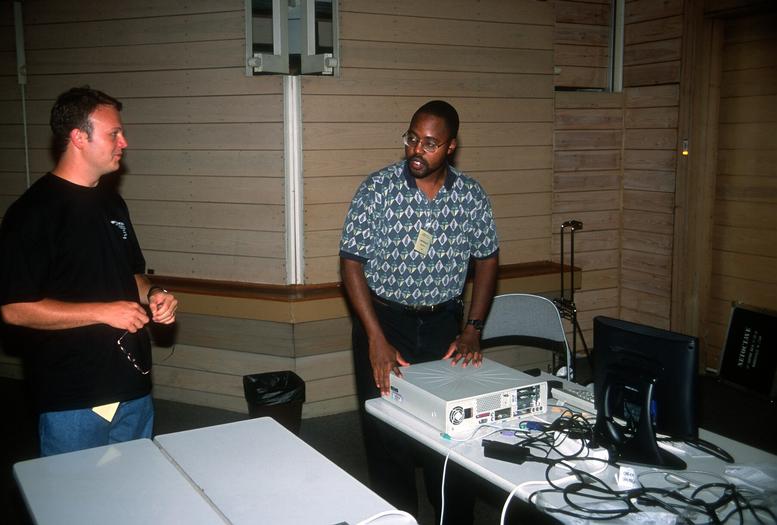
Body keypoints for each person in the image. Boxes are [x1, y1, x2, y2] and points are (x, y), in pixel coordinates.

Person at [339, 100, 499, 523]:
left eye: (430, 143)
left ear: (450, 147)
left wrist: (473, 329)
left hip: (444, 324)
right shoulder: (378, 189)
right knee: (387, 432)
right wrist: (375, 338)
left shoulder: (470, 196)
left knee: (450, 431)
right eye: (412, 138)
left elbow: (487, 259)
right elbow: (351, 263)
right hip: (383, 322)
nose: (417, 150)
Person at [0, 87, 178, 456]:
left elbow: (133, 275)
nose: (124, 142)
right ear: (79, 137)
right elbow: (15, 309)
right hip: (74, 397)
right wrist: (103, 312)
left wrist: (154, 294)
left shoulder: (113, 202)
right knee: (75, 492)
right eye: (114, 133)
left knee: (136, 487)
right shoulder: (33, 213)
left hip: (133, 387)